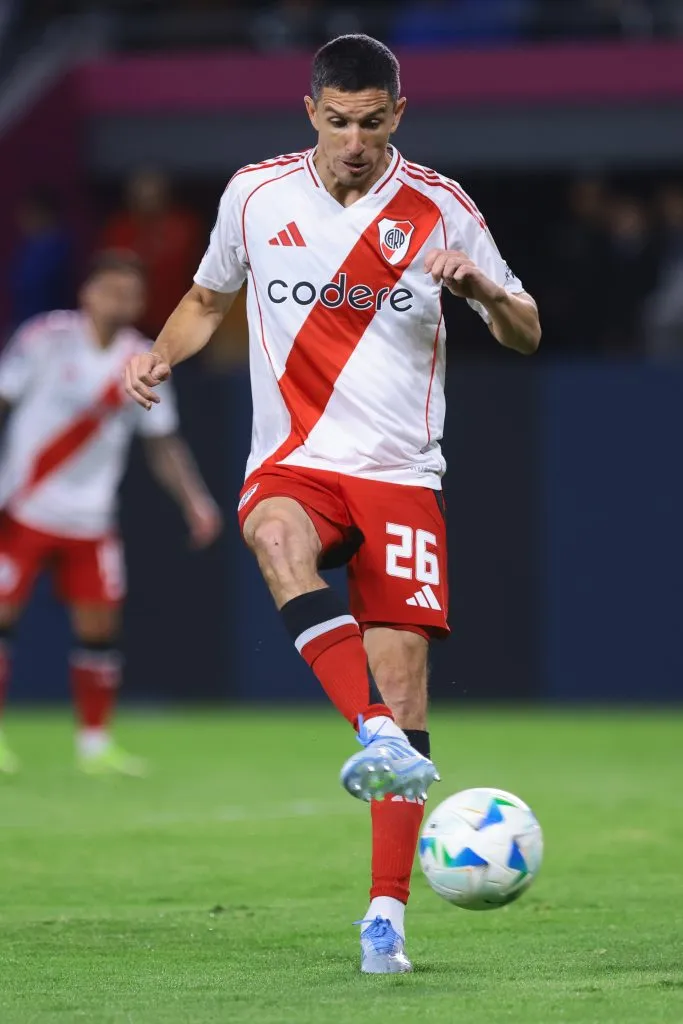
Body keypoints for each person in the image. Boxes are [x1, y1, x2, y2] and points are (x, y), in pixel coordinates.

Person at [124, 35, 540, 973]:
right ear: (310, 110)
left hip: (400, 473)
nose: (354, 142)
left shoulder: (441, 207)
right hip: (296, 459)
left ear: (399, 114)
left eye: (372, 123)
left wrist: (480, 288)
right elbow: (205, 298)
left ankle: (385, 917)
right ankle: (375, 735)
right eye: (339, 121)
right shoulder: (255, 194)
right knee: (274, 537)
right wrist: (159, 352)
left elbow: (525, 330)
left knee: (403, 681)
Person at [0, 250, 221, 776]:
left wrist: (195, 501)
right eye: (111, 290)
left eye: (130, 293)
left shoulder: (144, 359)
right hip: (24, 508)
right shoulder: (45, 338)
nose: (121, 301)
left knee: (100, 630)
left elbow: (162, 442)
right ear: (88, 293)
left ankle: (95, 746)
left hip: (92, 520)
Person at [100, 169, 203, 338]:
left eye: (153, 195)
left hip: (176, 318)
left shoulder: (183, 228)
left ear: (165, 196)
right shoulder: (118, 229)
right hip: (128, 321)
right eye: (141, 196)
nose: (148, 201)